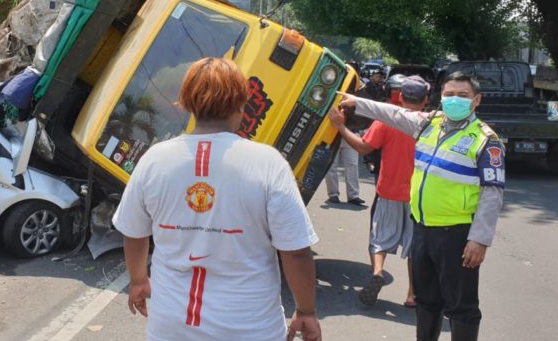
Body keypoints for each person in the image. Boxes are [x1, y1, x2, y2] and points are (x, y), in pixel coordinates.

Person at [113, 57, 322, 341]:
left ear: (186, 103)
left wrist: (138, 280)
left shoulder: (155, 160)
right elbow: (296, 251)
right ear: (241, 105)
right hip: (250, 327)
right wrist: (306, 311)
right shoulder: (267, 163)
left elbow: (134, 231)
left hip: (171, 328)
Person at [338, 72, 504, 341]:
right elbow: (392, 114)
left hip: (458, 235)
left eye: (462, 96)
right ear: (440, 97)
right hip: (423, 228)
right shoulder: (429, 124)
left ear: (476, 101)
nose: (454, 100)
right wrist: (357, 102)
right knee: (427, 301)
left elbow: (492, 193)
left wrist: (479, 239)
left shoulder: (485, 140)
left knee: (461, 308)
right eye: (449, 94)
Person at [328, 75, 430, 308]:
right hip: (420, 197)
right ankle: (412, 294)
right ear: (426, 99)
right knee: (415, 247)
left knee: (379, 239)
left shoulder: (387, 120)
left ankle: (378, 271)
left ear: (401, 96)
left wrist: (340, 126)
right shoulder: (430, 124)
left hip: (388, 191)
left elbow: (364, 148)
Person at [324, 138, 365, 206]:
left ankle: (353, 196)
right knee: (331, 166)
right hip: (332, 133)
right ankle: (333, 194)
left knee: (352, 165)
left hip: (351, 133)